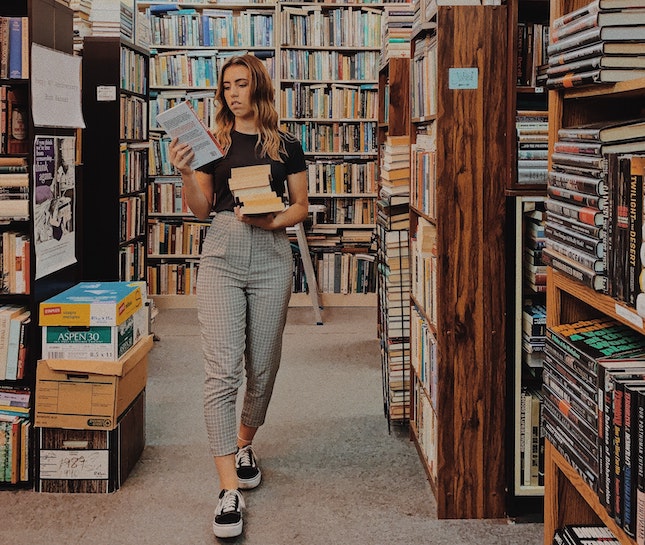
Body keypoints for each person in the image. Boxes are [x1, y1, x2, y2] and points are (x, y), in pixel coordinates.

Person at [168, 54, 308, 539]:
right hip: (223, 253)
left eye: (242, 84)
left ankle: (245, 440)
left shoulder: (287, 144)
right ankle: (227, 488)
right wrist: (186, 173)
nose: (233, 93)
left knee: (263, 364)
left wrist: (274, 220)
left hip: (270, 252)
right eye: (226, 85)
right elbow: (203, 209)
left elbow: (302, 208)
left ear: (258, 88)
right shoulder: (211, 142)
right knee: (222, 370)